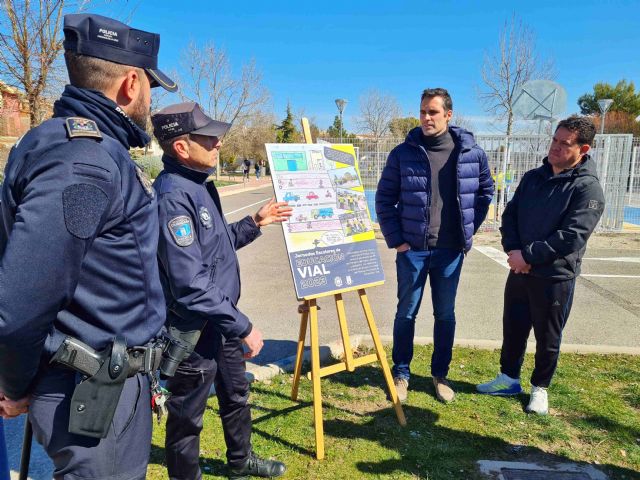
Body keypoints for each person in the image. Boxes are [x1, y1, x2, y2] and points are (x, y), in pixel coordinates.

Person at [0, 13, 176, 479]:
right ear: (131, 84)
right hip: (93, 392)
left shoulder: (70, 145)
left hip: (99, 386)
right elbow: (22, 299)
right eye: (151, 87)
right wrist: (14, 385)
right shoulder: (84, 160)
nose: (150, 100)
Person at [151, 102, 291, 480]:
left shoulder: (197, 185)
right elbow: (189, 283)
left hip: (220, 320)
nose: (218, 144)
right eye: (209, 138)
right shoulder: (172, 197)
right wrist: (243, 326)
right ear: (181, 147)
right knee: (187, 417)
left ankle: (241, 462)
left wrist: (255, 222)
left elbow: (215, 247)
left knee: (236, 394)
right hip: (194, 331)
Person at [477, 116, 604, 415]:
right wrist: (513, 251)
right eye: (554, 140)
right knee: (514, 327)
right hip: (520, 269)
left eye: (564, 143)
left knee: (548, 337)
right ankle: (508, 378)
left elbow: (571, 236)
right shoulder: (533, 177)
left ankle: (540, 388)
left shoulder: (587, 189)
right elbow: (510, 215)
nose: (555, 147)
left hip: (554, 276)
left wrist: (529, 257)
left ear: (583, 149)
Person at [376, 88, 494, 403]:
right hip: (412, 250)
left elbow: (485, 192)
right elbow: (384, 199)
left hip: (450, 252)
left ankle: (440, 375)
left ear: (448, 115)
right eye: (423, 112)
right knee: (406, 313)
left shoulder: (470, 153)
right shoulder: (403, 153)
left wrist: (468, 228)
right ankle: (401, 373)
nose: (427, 118)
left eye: (433, 112)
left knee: (445, 314)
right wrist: (397, 240)